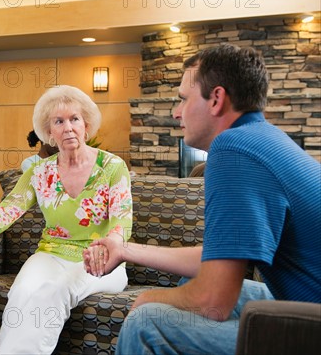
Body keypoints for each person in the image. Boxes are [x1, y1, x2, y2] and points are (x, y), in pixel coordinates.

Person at [83, 45, 321, 355]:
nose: (176, 112)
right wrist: (125, 249)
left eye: (183, 98)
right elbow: (216, 260)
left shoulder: (234, 150)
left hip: (312, 327)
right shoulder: (263, 138)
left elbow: (214, 299)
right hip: (306, 305)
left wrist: (147, 300)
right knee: (186, 285)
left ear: (217, 99)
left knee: (147, 321)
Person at [0, 85, 133, 354]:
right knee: (21, 294)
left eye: (74, 119)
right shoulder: (39, 171)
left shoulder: (112, 166)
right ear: (49, 132)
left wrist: (111, 244)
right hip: (51, 254)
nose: (68, 127)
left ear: (86, 125)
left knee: (55, 291)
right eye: (59, 121)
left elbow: (123, 220)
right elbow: (6, 210)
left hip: (101, 258)